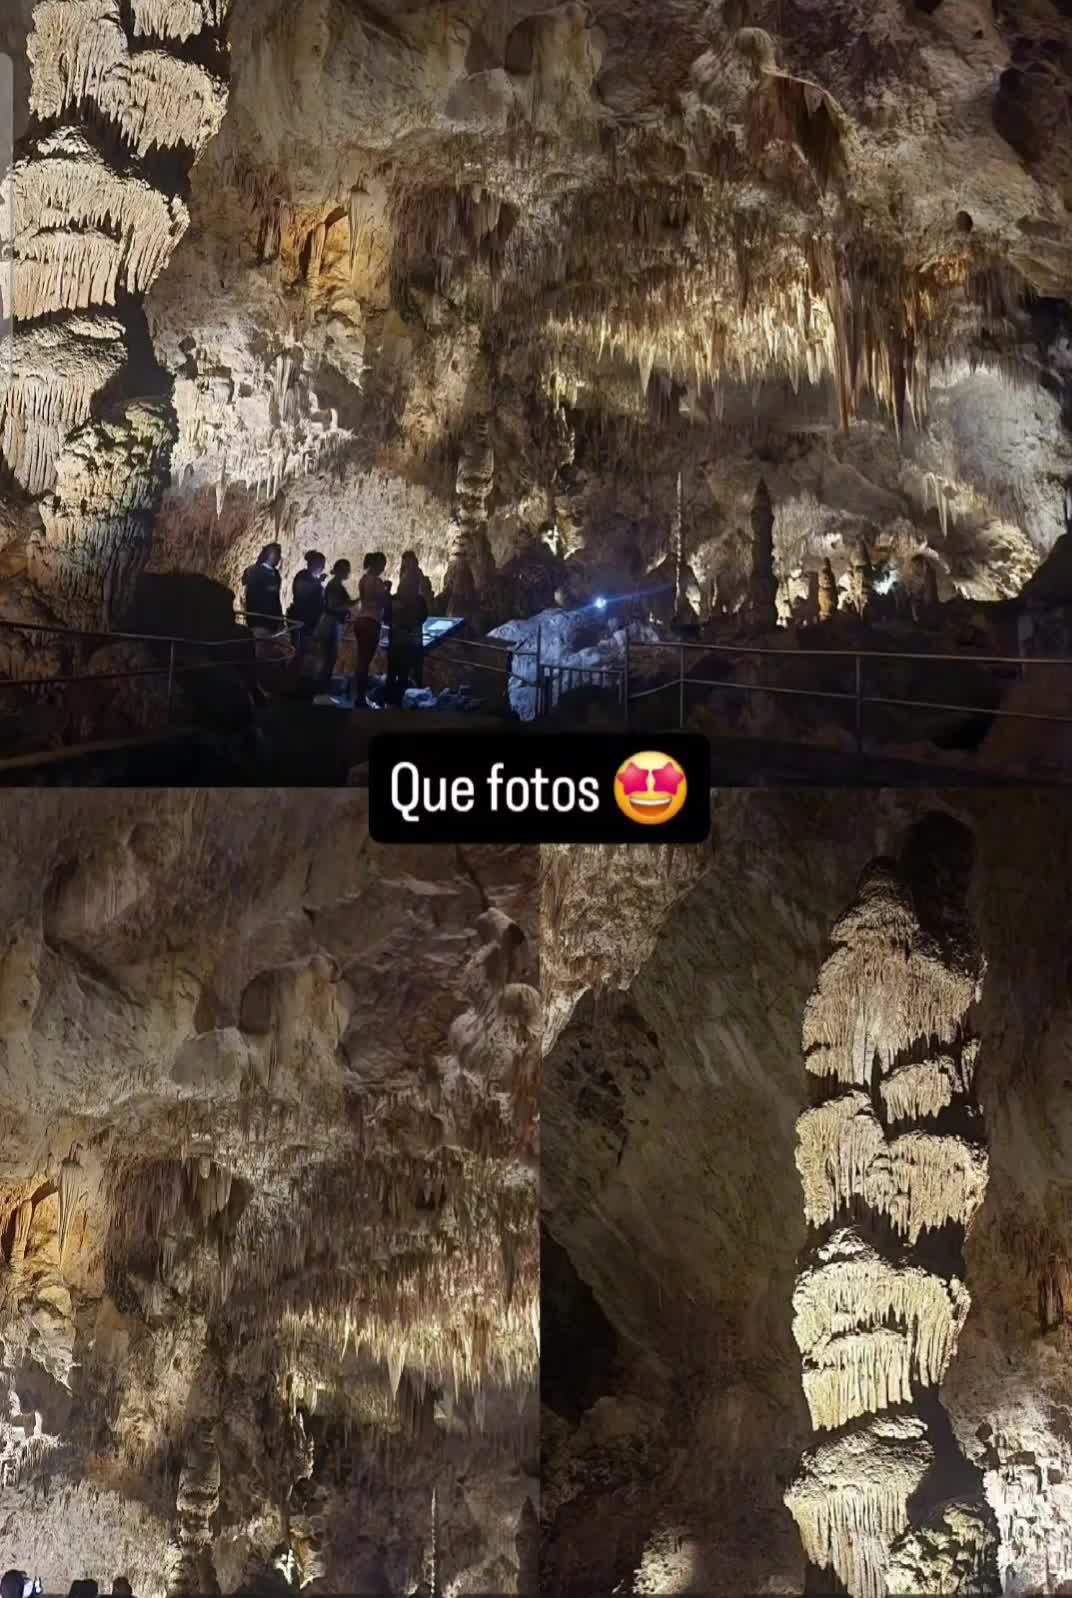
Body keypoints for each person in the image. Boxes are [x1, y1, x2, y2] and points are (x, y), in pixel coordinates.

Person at [386, 551, 429, 706]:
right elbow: (422, 617)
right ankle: (400, 702)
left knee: (402, 673)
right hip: (406, 640)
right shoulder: (415, 601)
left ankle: (396, 702)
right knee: (402, 673)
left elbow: (388, 618)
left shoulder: (411, 600)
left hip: (405, 640)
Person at [353, 551, 389, 705]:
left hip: (360, 620)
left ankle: (358, 694)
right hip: (371, 622)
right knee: (365, 661)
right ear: (377, 564)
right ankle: (360, 697)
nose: (383, 568)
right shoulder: (376, 581)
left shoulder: (363, 579)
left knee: (361, 660)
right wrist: (387, 589)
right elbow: (383, 602)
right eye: (382, 565)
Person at [287, 549, 326, 686]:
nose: (323, 567)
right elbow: (301, 591)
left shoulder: (315, 581)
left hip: (313, 624)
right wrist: (318, 583)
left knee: (309, 654)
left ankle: (305, 681)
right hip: (302, 622)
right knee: (301, 653)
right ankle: (295, 682)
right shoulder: (303, 576)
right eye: (321, 564)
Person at [319, 558, 354, 688]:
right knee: (330, 655)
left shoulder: (336, 585)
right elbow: (333, 606)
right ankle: (322, 685)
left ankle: (323, 685)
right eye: (346, 569)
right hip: (331, 623)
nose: (348, 572)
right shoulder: (334, 586)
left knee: (330, 655)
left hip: (333, 622)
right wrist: (350, 605)